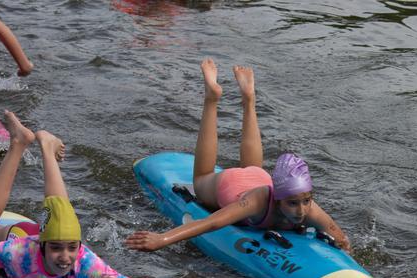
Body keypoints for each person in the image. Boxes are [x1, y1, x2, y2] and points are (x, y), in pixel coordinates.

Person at [124, 58, 352, 253]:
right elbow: (212, 222)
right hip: (229, 185)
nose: (301, 210)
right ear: (278, 198)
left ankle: (249, 98)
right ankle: (212, 99)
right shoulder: (255, 202)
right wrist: (161, 239)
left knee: (254, 167)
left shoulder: (306, 205)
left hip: (257, 176)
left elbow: (339, 237)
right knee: (202, 178)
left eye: (305, 201)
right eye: (293, 203)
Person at [0, 111, 138, 278]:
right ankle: (18, 144)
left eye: (72, 248)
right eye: (56, 249)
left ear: (79, 247)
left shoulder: (86, 262)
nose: (65, 257)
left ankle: (46, 146)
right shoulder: (16, 253)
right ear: (42, 246)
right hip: (19, 235)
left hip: (52, 231)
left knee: (60, 212)